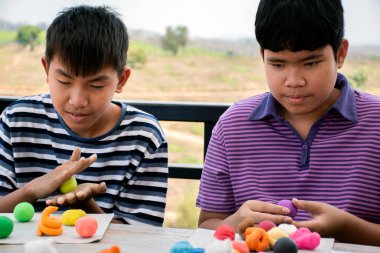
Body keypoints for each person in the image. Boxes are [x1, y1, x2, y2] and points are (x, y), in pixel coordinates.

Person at [196, 0, 380, 246]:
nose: (294, 81)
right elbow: (208, 224)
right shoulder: (232, 126)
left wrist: (346, 227)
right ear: (262, 55)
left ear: (340, 53)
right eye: (278, 64)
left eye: (311, 63)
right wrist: (236, 221)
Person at [0, 5, 168, 226]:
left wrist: (85, 203)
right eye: (64, 82)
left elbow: (142, 236)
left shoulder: (144, 136)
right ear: (46, 70)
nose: (77, 100)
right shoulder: (17, 120)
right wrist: (33, 189)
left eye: (96, 85)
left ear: (121, 80)